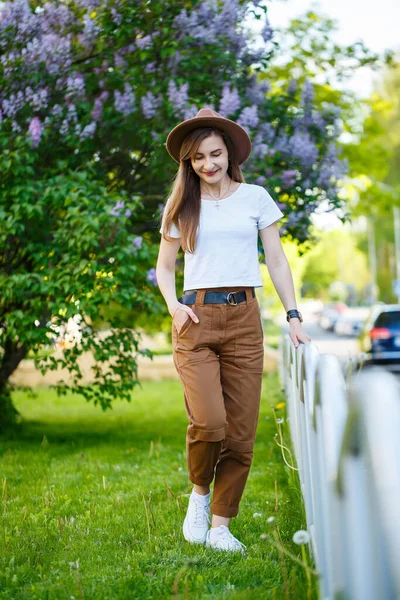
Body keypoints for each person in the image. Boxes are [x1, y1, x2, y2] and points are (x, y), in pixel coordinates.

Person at [156, 107, 311, 553]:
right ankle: (200, 494)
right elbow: (165, 270)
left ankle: (221, 527)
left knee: (241, 434)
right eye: (199, 158)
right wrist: (174, 307)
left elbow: (276, 261)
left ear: (229, 154)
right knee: (209, 423)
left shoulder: (256, 198)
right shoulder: (181, 206)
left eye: (216, 154)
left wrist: (293, 315)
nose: (208, 164)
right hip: (196, 318)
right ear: (188, 163)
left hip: (245, 319)